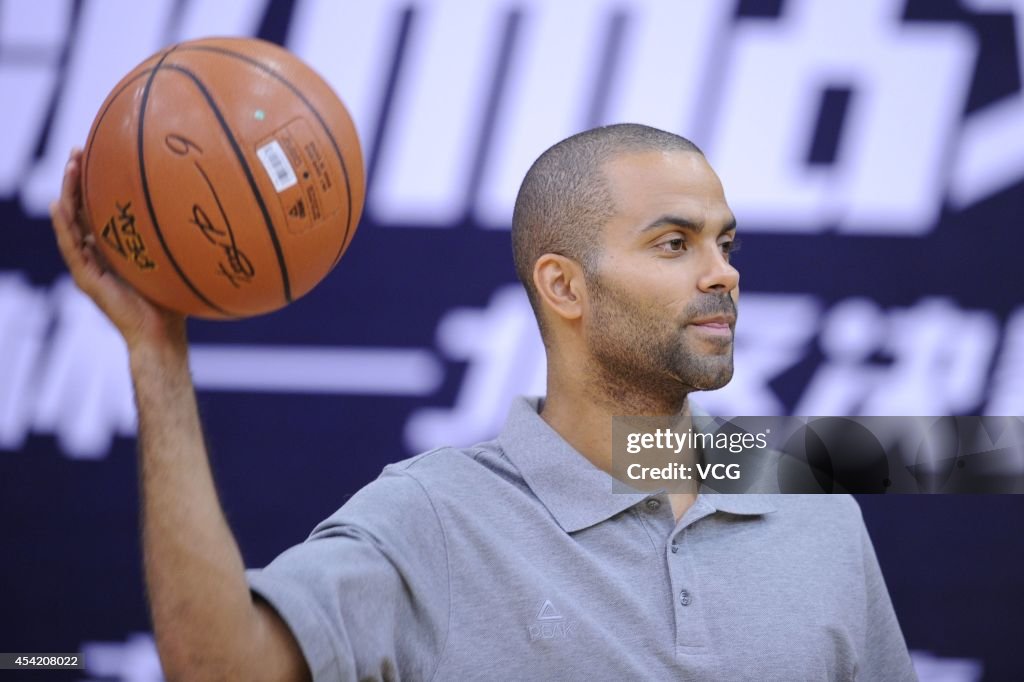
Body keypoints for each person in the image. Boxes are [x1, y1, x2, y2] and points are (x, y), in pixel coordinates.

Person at [49, 123, 915, 681]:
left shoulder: (806, 492)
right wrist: (156, 356)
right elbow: (216, 669)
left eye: (724, 242)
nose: (722, 272)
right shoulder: (434, 516)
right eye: (673, 243)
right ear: (563, 287)